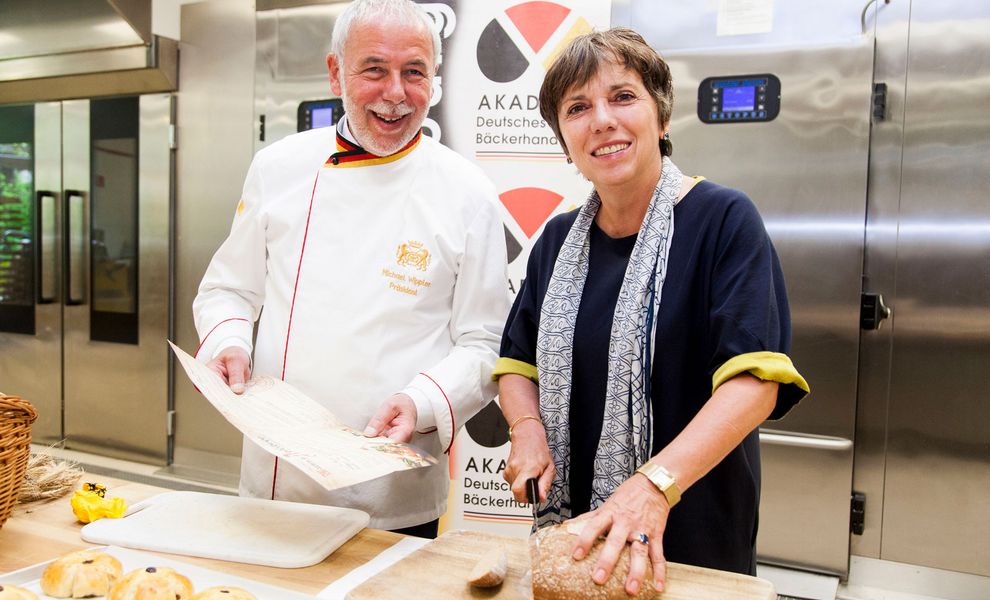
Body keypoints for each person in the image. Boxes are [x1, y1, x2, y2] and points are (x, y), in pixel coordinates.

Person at [495, 28, 809, 594]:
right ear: (565, 141)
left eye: (623, 97)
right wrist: (526, 430)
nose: (602, 120)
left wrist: (652, 486)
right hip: (579, 538)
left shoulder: (723, 220)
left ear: (661, 119)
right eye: (578, 107)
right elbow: (517, 363)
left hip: (691, 533)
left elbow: (755, 381)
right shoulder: (558, 240)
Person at [193, 0, 510, 538]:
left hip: (393, 487)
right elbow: (228, 288)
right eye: (374, 69)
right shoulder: (279, 167)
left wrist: (424, 400)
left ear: (434, 80)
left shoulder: (467, 192)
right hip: (277, 481)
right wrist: (228, 341)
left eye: (414, 72)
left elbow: (485, 339)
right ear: (336, 71)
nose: (395, 93)